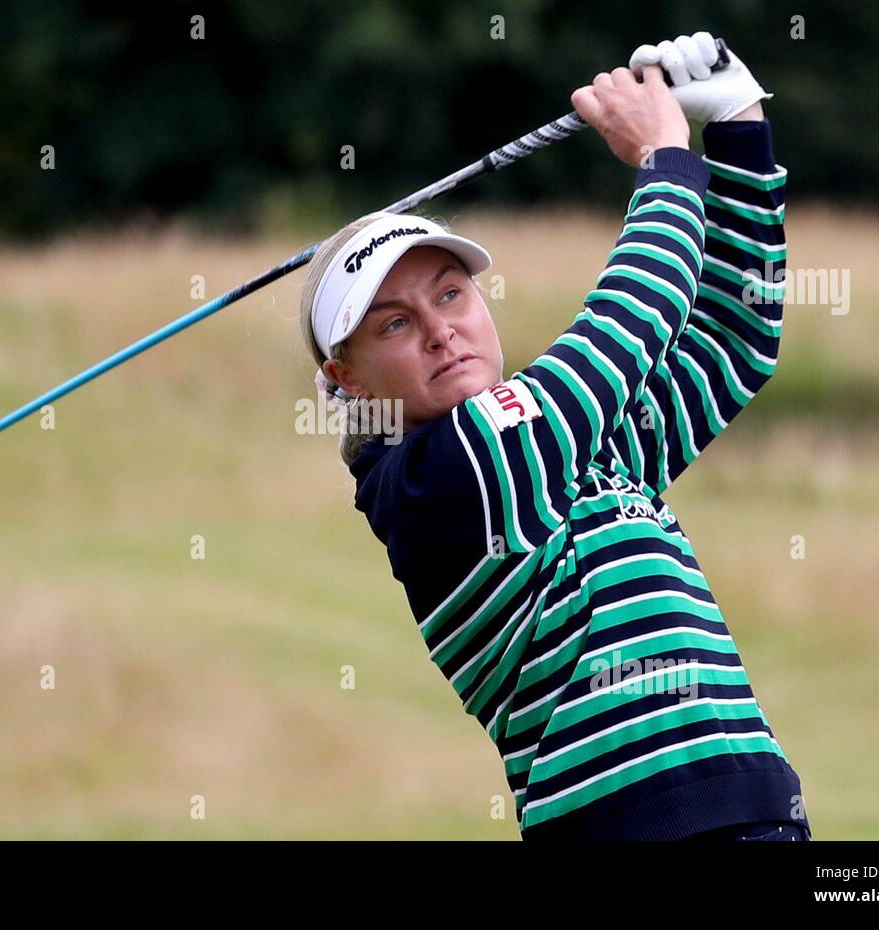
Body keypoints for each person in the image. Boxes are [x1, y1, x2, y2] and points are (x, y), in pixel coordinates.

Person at [298, 33, 808, 841]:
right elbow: (624, 328)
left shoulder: (581, 455)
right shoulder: (437, 480)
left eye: (452, 294)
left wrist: (738, 123)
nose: (441, 331)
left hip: (749, 813)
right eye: (397, 322)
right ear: (350, 379)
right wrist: (665, 161)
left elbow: (733, 340)